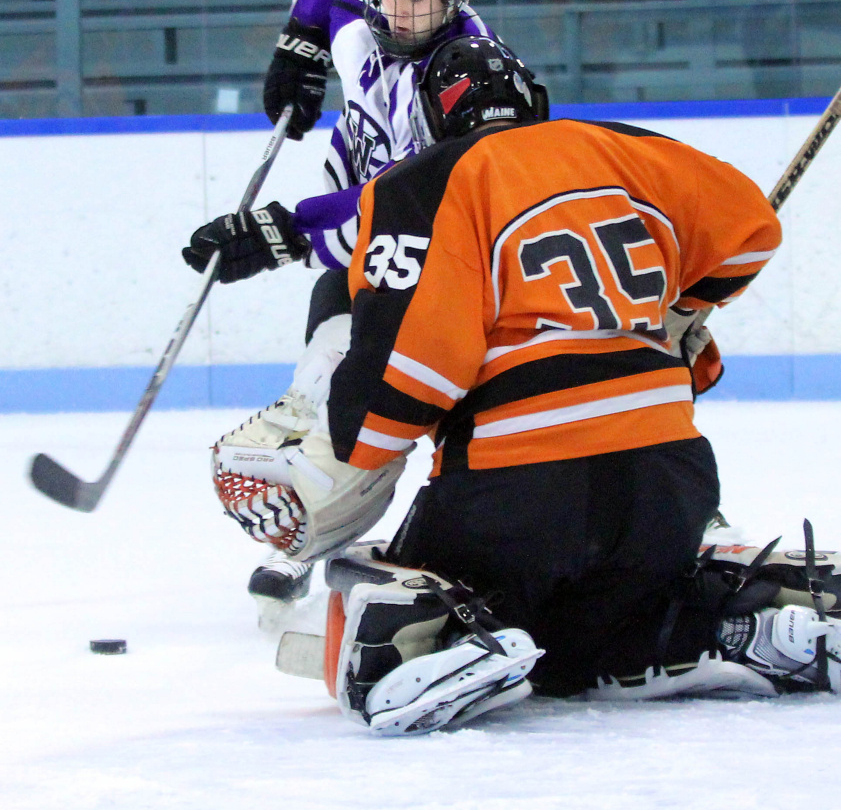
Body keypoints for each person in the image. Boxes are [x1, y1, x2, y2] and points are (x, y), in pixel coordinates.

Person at [200, 36, 841, 736]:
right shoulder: (625, 147)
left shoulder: (421, 182)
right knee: (591, 643)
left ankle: (447, 637)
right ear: (531, 101)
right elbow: (752, 225)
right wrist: (685, 306)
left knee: (374, 577)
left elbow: (412, 373)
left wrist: (351, 437)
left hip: (516, 488)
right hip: (670, 480)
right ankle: (736, 617)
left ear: (435, 119)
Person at [182, 0, 495, 616]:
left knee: (415, 404)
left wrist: (288, 230)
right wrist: (298, 42)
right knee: (325, 372)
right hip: (360, 208)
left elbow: (409, 209)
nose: (401, 9)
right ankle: (309, 536)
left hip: (432, 255)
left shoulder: (464, 78)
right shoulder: (367, 1)